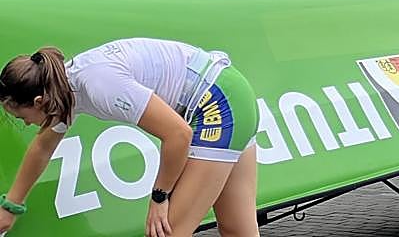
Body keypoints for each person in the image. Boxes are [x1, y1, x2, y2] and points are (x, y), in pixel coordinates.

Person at [0, 39, 259, 237]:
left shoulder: (98, 84)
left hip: (218, 104)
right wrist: (11, 206)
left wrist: (160, 197)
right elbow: (42, 148)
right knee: (238, 230)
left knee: (167, 232)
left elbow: (179, 135)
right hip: (232, 93)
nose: (27, 124)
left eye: (23, 117)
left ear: (38, 101)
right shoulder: (63, 89)